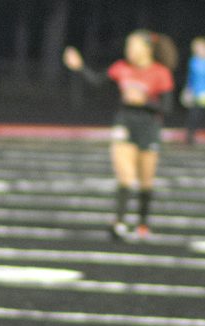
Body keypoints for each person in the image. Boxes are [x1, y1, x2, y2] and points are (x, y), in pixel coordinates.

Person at [64, 31, 177, 240]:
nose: (129, 51)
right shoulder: (121, 67)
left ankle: (143, 223)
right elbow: (97, 82)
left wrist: (143, 101)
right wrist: (79, 67)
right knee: (125, 176)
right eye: (128, 46)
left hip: (149, 128)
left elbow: (168, 108)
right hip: (124, 123)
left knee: (146, 182)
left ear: (147, 49)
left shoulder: (160, 72)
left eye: (133, 46)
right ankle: (119, 222)